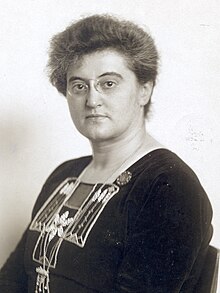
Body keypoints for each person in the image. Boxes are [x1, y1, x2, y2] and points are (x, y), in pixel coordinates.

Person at [0, 14, 213, 293]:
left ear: (144, 91)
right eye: (79, 86)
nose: (92, 99)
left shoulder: (169, 185)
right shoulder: (65, 175)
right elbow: (13, 279)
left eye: (108, 83)